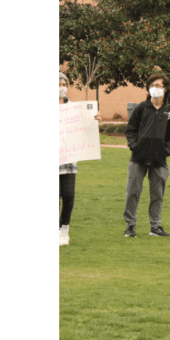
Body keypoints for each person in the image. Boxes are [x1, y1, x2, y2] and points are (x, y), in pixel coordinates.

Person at [123, 73, 170, 238]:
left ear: (165, 89)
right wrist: (134, 146)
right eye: (153, 85)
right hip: (138, 158)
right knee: (133, 192)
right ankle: (130, 226)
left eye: (159, 85)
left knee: (157, 194)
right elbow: (130, 130)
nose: (156, 88)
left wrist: (166, 150)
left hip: (159, 159)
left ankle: (155, 227)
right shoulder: (140, 108)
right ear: (149, 88)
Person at [59, 72, 102, 246]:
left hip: (69, 162)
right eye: (58, 83)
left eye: (64, 83)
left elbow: (86, 129)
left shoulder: (75, 109)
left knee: (69, 196)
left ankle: (64, 230)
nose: (62, 87)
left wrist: (95, 120)